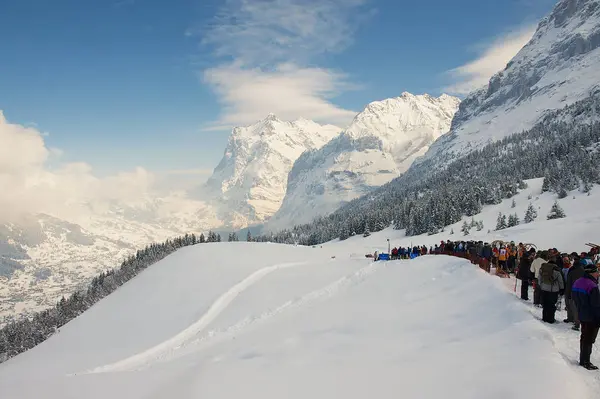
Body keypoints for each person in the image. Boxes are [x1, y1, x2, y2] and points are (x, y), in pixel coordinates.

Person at [571, 262, 600, 370]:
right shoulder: (592, 286)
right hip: (591, 317)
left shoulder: (577, 282)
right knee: (589, 339)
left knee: (584, 337)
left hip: (581, 313)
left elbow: (574, 298)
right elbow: (596, 305)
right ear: (592, 273)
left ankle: (583, 359)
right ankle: (586, 362)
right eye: (597, 271)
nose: (598, 273)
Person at [538, 254, 565, 323]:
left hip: (544, 288)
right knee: (552, 304)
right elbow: (560, 281)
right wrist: (562, 289)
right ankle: (550, 319)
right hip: (553, 290)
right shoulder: (557, 269)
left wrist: (541, 285)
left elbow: (539, 278)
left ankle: (544, 318)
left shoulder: (543, 267)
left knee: (545, 303)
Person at [565, 254, 584, 330]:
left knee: (573, 306)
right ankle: (575, 320)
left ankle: (575, 322)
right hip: (581, 291)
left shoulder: (572, 270)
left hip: (573, 290)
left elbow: (569, 282)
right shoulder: (583, 270)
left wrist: (567, 292)